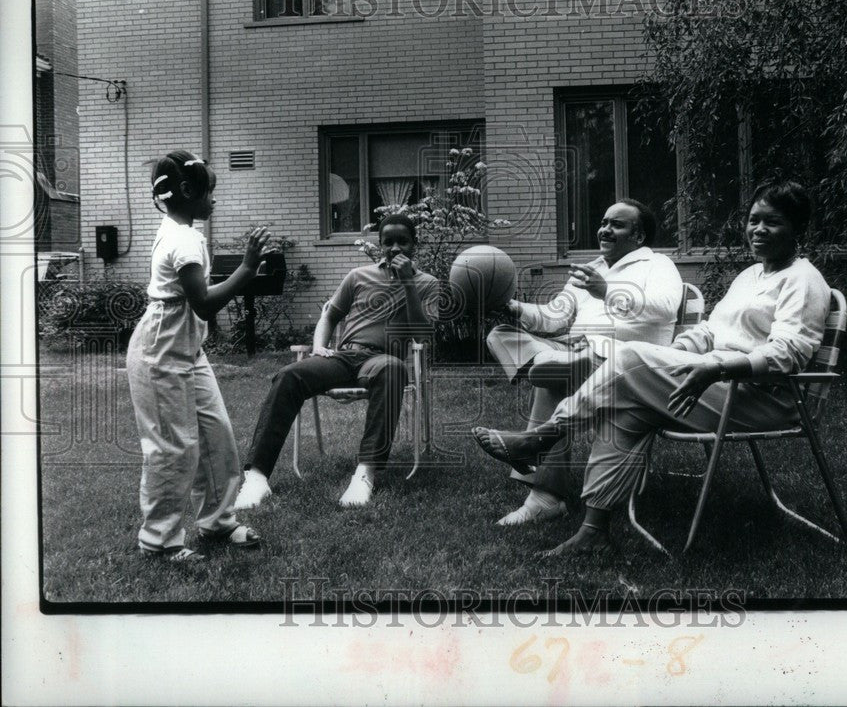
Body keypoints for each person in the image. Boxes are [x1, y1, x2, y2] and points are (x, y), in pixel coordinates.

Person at [474, 181, 831, 555]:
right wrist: (677, 353)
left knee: (628, 360)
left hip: (756, 396)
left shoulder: (802, 280)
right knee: (625, 407)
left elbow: (789, 353)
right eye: (754, 220)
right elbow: (710, 330)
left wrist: (716, 368)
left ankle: (541, 437)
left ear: (797, 229)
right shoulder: (750, 276)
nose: (758, 230)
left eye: (771, 222)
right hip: (706, 380)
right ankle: (593, 532)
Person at [485, 199, 683, 525]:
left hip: (624, 366)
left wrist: (607, 291)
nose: (605, 229)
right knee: (501, 334)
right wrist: (513, 308)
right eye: (604, 222)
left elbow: (664, 308)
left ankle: (544, 496)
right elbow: (555, 316)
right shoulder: (593, 268)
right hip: (575, 354)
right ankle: (553, 363)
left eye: (616, 224)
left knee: (555, 376)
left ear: (639, 236)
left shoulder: (658, 264)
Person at [234, 214, 439, 509]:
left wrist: (408, 282)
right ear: (380, 245)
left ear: (414, 245)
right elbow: (329, 315)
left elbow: (423, 334)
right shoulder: (358, 276)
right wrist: (320, 347)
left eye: (402, 241)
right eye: (388, 242)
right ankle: (256, 479)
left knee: (394, 369)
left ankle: (365, 474)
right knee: (289, 375)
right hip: (344, 356)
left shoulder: (426, 283)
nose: (395, 248)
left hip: (382, 360)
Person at [126, 150, 270, 563]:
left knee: (216, 435)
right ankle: (159, 540)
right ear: (188, 191)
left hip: (186, 347)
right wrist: (247, 269)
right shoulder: (181, 237)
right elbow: (204, 304)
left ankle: (218, 521)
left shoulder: (180, 228)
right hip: (161, 352)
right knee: (173, 447)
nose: (215, 198)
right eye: (210, 190)